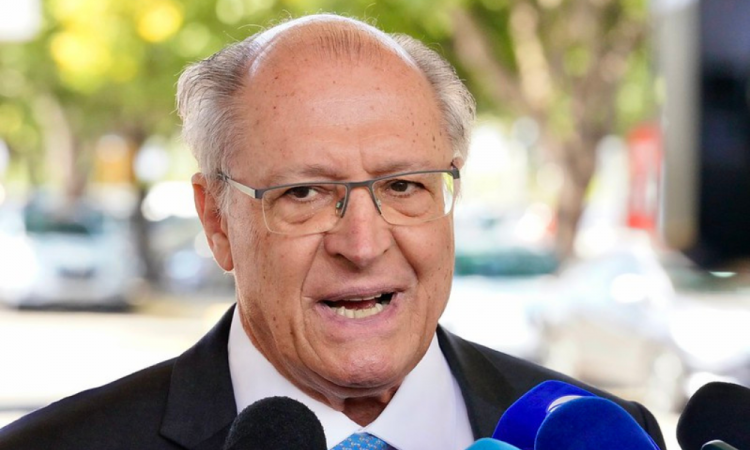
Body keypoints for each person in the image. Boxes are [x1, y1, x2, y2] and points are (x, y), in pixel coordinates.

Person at [0, 14, 666, 450]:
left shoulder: (604, 434)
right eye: (305, 193)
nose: (364, 245)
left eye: (403, 186)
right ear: (217, 220)